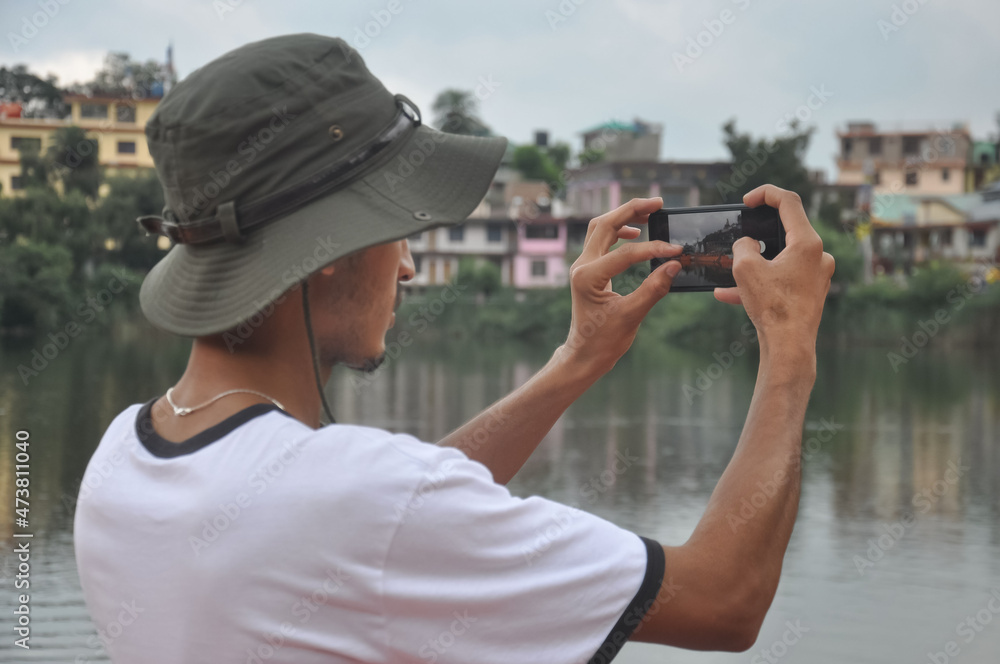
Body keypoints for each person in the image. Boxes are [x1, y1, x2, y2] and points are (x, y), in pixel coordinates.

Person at [73, 33, 834, 664]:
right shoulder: (353, 498)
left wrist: (580, 359)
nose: (406, 264)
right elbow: (725, 601)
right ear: (328, 247)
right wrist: (790, 348)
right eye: (393, 229)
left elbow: (391, 521)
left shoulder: (121, 462)